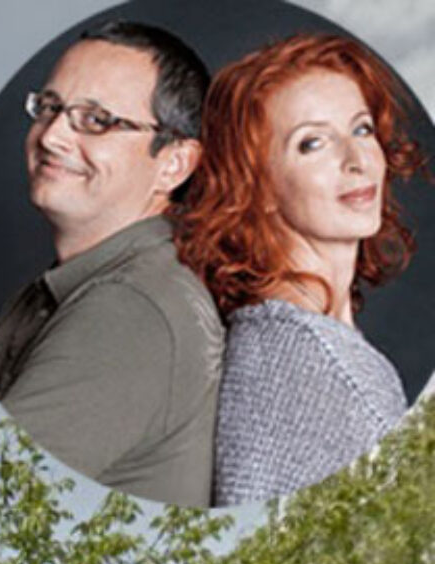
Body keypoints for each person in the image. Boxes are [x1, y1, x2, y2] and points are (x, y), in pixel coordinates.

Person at [0, 21, 224, 507]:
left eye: (96, 120)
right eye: (50, 108)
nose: (52, 137)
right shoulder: (68, 286)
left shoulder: (132, 311)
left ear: (174, 163)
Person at [177, 34, 424, 505]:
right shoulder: (331, 371)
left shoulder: (274, 338)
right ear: (258, 187)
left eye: (362, 129)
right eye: (312, 143)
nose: (356, 161)